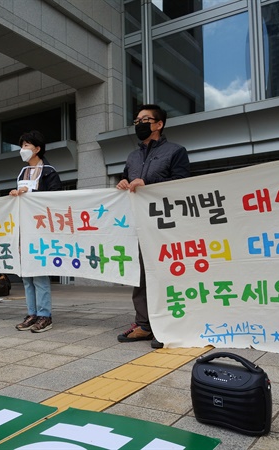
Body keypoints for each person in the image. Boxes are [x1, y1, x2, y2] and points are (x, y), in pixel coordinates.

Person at [116, 104, 190, 348]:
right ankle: (144, 325)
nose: (140, 124)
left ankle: (169, 325)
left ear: (159, 124)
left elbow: (182, 183)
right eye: (137, 120)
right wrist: (123, 183)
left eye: (146, 119)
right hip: (139, 224)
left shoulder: (176, 151)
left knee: (165, 275)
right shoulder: (132, 156)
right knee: (141, 276)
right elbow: (125, 178)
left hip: (166, 225)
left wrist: (147, 182)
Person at [10, 130, 62, 333]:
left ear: (38, 149)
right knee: (26, 275)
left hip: (41, 230)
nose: (23, 150)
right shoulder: (22, 173)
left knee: (39, 274)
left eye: (27, 146)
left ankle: (44, 315)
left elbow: (55, 199)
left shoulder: (49, 172)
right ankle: (32, 313)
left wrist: (30, 193)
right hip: (24, 228)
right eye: (22, 146)